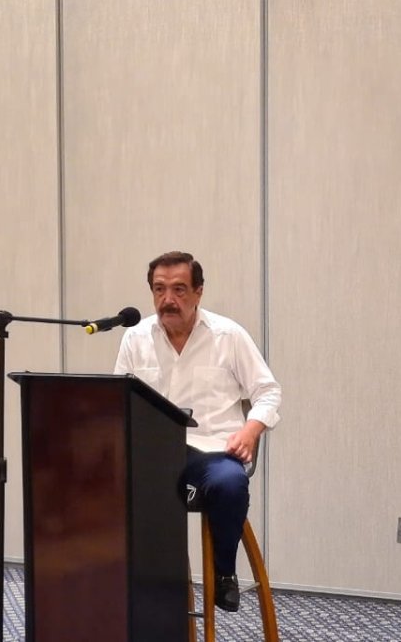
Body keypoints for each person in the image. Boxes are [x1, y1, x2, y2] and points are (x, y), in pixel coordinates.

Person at [114, 250, 281, 612]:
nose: (168, 300)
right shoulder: (136, 337)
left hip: (212, 453)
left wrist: (251, 430)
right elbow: (119, 400)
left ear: (198, 292)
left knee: (229, 484)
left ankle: (224, 573)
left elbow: (268, 391)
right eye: (159, 290)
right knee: (102, 482)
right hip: (155, 455)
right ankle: (131, 581)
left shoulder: (228, 335)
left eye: (179, 289)